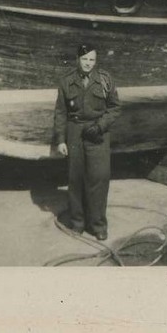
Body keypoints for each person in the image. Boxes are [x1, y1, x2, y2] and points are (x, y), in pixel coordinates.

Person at [51, 43, 121, 241]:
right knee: (75, 179)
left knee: (99, 178)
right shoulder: (66, 81)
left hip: (98, 132)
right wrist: (61, 140)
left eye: (91, 59)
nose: (88, 63)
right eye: (84, 59)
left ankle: (98, 225)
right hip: (74, 132)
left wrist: (100, 126)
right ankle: (78, 222)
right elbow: (60, 113)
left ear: (95, 61)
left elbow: (115, 108)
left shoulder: (105, 80)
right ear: (77, 59)